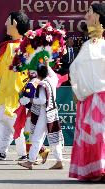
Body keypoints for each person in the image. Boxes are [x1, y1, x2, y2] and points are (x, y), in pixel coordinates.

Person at [69, 3, 105, 181]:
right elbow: (76, 69)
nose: (85, 16)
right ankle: (96, 169)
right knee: (94, 135)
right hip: (88, 98)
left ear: (98, 16)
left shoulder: (101, 44)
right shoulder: (88, 44)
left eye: (89, 12)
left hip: (101, 98)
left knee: (100, 134)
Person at [0, 11, 29, 161]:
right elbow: (0, 71)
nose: (5, 23)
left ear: (15, 24)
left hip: (17, 93)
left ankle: (23, 153)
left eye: (8, 20)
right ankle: (1, 151)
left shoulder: (26, 46)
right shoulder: (6, 46)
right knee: (3, 122)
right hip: (5, 91)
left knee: (16, 123)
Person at [18, 59, 64, 170]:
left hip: (44, 112)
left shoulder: (42, 84)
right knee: (53, 136)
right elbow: (52, 73)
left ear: (38, 74)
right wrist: (47, 65)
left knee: (37, 137)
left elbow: (42, 100)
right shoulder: (52, 79)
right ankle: (59, 161)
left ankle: (30, 161)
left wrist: (30, 100)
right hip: (52, 111)